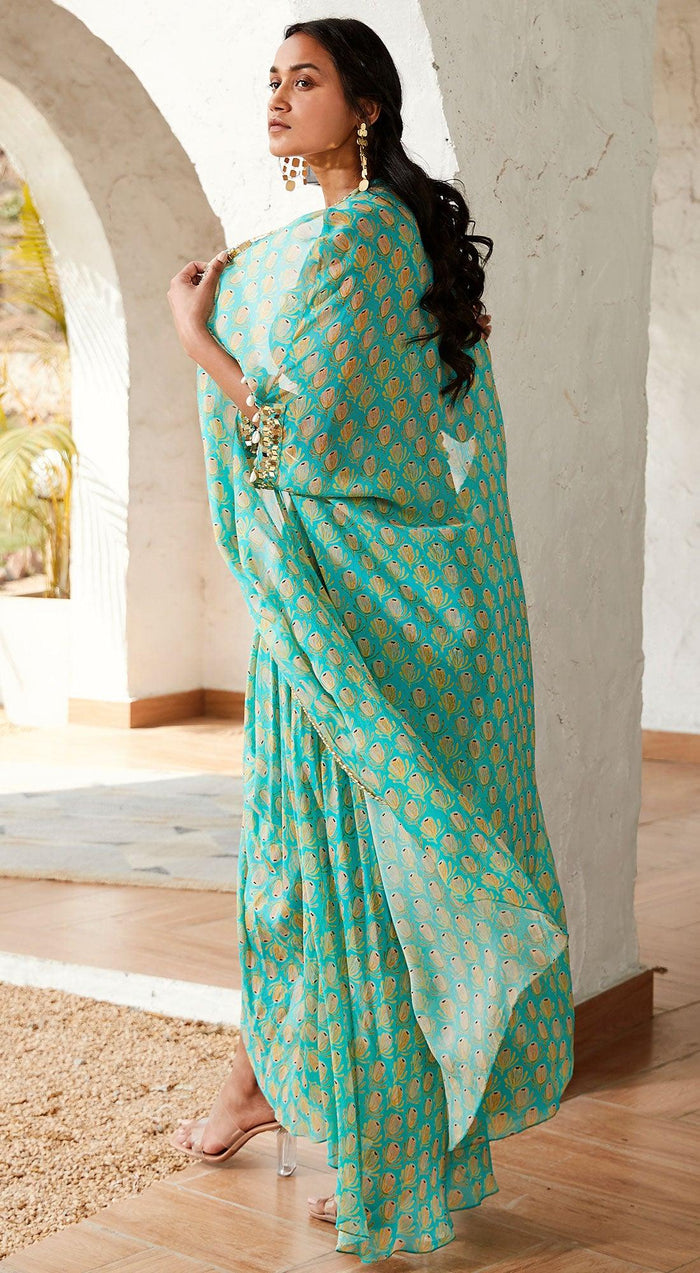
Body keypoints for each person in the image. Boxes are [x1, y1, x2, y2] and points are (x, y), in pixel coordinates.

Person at [166, 16, 575, 1266]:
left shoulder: (356, 244)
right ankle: (259, 1080)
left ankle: (387, 1150)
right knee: (311, 861)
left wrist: (198, 342)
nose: (279, 98)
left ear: (367, 106)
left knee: (351, 875)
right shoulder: (368, 237)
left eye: (306, 80)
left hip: (358, 613)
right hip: (365, 601)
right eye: (271, 80)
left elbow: (306, 438)